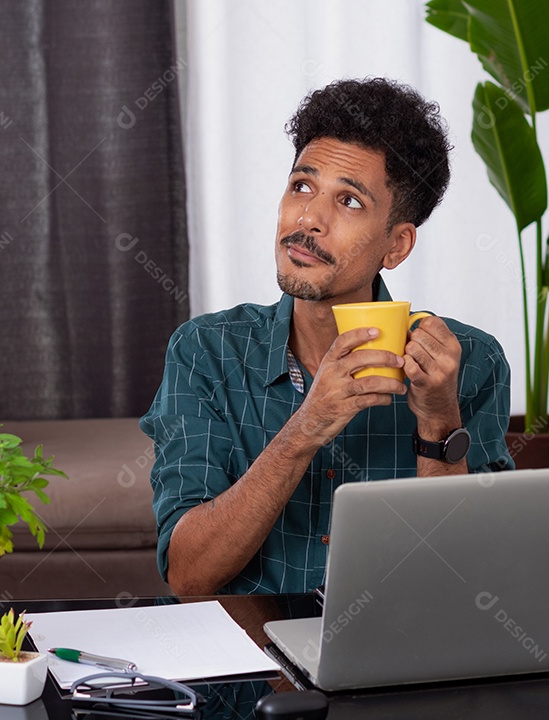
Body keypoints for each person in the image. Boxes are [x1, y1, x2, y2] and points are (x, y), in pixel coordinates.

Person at [140, 78, 512, 597]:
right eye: (301, 186)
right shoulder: (206, 351)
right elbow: (188, 574)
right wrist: (305, 428)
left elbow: (469, 583)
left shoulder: (469, 362)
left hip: (394, 644)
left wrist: (438, 423)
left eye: (350, 201)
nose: (309, 218)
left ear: (396, 246)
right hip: (250, 648)